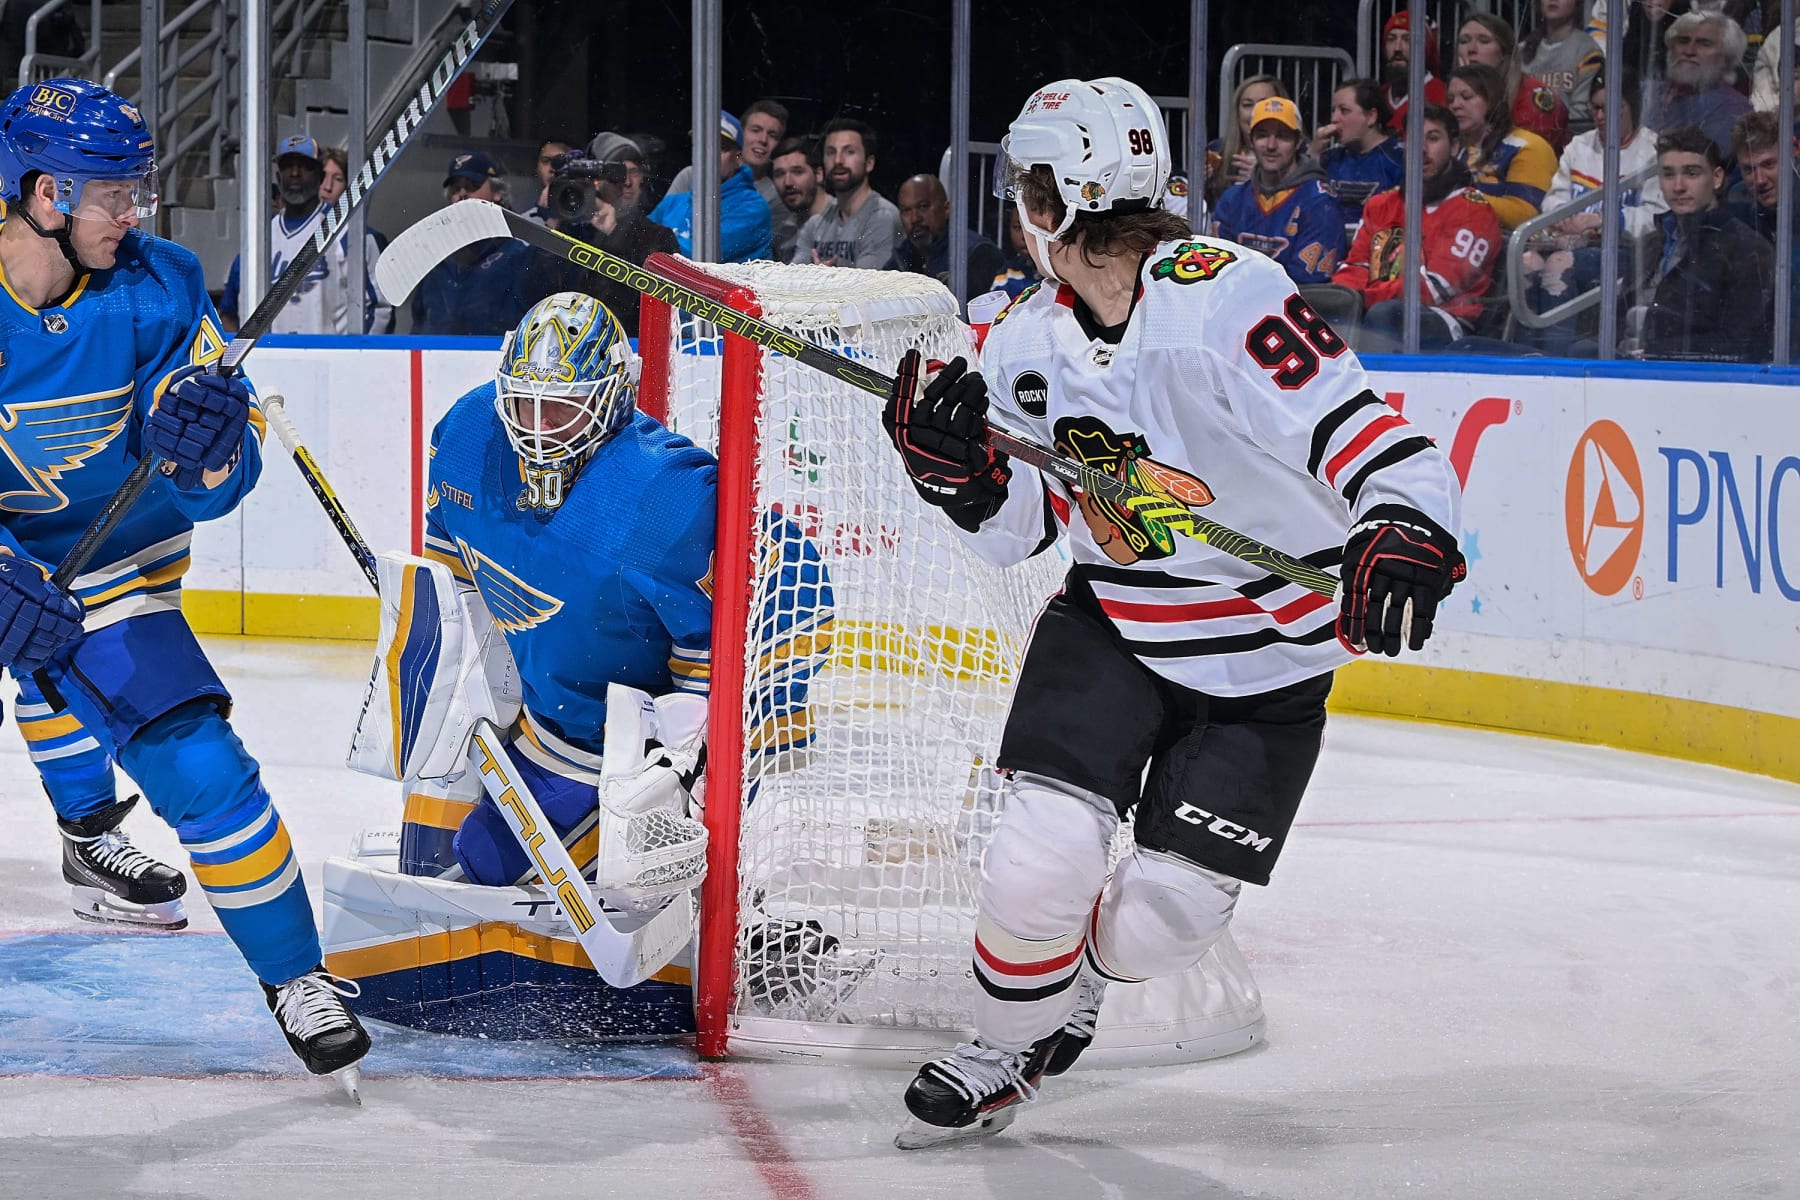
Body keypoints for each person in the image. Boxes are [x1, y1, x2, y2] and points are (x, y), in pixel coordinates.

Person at [883, 74, 1464, 1149]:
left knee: (1165, 922)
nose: (1018, 207)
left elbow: (1371, 436)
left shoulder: (1224, 298)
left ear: (1059, 196)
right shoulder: (1019, 339)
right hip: (1113, 625)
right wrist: (957, 479)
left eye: (1026, 186)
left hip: (1269, 658)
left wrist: (1405, 522)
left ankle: (1078, 991)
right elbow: (1018, 531)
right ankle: (1000, 1050)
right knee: (1037, 861)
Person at [0, 78, 370, 1090]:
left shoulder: (160, 283)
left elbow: (218, 487)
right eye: (115, 194)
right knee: (36, 650)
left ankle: (297, 978)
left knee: (198, 764)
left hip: (112, 568)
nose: (136, 212)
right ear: (43, 193)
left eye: (138, 191)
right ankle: (87, 833)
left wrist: (208, 451)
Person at [368, 293, 842, 1025]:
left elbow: (778, 592)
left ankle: (741, 932)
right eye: (523, 406)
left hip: (634, 740)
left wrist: (683, 768)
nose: (536, 429)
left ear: (613, 398)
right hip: (552, 721)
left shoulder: (666, 499)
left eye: (561, 410)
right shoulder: (468, 432)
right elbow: (452, 571)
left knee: (622, 870)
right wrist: (455, 679)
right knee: (442, 857)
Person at [1519, 70, 1666, 355]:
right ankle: (1525, 357)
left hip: (1627, 252)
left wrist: (1604, 221)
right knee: (1527, 262)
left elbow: (1656, 218)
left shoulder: (1652, 150)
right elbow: (1554, 200)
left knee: (1559, 265)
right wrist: (1562, 218)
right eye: (1596, 108)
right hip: (1572, 244)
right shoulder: (1579, 146)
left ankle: (1557, 359)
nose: (1601, 116)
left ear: (1632, 107)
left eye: (1611, 108)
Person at [1333, 103, 1504, 348]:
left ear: (1454, 146)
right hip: (1375, 306)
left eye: (1433, 139)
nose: (1422, 149)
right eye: (1413, 140)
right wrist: (1343, 298)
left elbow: (1431, 289)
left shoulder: (1472, 210)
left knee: (1387, 314)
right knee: (1324, 309)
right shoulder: (1381, 204)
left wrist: (1362, 299)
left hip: (1448, 321)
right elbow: (1356, 267)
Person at [219, 134, 391, 334]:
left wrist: (356, 352)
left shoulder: (349, 234)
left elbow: (378, 309)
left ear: (320, 177)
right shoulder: (257, 241)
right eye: (288, 166)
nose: (295, 173)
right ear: (278, 177)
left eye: (304, 166)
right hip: (271, 352)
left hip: (327, 353)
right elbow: (228, 313)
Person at [1634, 123, 1774, 360]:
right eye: (1668, 174)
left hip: (1697, 376)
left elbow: (1741, 344)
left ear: (1717, 178)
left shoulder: (1746, 249)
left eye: (1692, 173)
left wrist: (1656, 351)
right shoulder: (1649, 244)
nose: (1678, 186)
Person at [521, 134, 679, 337]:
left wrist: (614, 234)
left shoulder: (657, 237)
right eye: (617, 173)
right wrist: (552, 228)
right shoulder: (570, 233)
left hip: (630, 348)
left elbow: (646, 310)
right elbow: (531, 297)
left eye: (634, 172)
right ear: (594, 181)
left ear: (642, 179)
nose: (627, 182)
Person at [1211, 97, 1347, 286]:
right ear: (1251, 140)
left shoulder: (1320, 202)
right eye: (1262, 135)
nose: (1271, 145)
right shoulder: (1232, 199)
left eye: (1282, 136)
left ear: (1298, 141)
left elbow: (1309, 284)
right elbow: (1217, 273)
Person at [410, 151, 535, 335]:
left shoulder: (522, 251)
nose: (462, 194)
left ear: (497, 192)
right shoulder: (435, 256)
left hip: (498, 352)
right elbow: (419, 322)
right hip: (438, 353)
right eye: (455, 189)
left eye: (472, 186)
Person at [648, 110, 773, 263]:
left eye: (721, 147)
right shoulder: (673, 203)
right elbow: (636, 238)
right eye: (703, 146)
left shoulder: (753, 209)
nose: (709, 155)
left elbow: (702, 256)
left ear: (738, 155)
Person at [1448, 63, 1558, 231]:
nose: (1456, 105)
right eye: (1451, 100)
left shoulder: (1528, 146)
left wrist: (1460, 199)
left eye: (1466, 97)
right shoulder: (1452, 147)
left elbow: (1525, 215)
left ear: (1491, 100)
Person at [789, 117, 903, 268]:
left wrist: (820, 276)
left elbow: (868, 281)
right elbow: (792, 276)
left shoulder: (882, 216)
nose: (838, 160)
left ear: (869, 163)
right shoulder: (816, 223)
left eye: (849, 152)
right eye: (830, 152)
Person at [1456, 12, 1572, 152]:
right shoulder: (1453, 97)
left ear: (1504, 53)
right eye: (1464, 41)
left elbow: (1524, 154)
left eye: (1484, 41)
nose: (1471, 49)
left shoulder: (1533, 98)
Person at [1643, 10, 1752, 154]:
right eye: (1683, 41)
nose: (1689, 51)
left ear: (1726, 57)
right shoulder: (1645, 91)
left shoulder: (1734, 108)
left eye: (1704, 44)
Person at [1309, 78, 1405, 224]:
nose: (1334, 119)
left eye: (1344, 110)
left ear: (1371, 116)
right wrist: (1314, 154)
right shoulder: (1328, 159)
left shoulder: (1398, 160)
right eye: (1334, 110)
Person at [889, 173, 1005, 290]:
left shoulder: (976, 253)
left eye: (923, 206)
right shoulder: (902, 256)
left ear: (946, 209)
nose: (915, 218)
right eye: (906, 210)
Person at [670, 99, 787, 210]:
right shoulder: (691, 176)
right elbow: (663, 219)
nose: (763, 140)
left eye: (772, 135)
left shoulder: (776, 197)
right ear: (740, 134)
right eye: (756, 130)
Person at [1208, 74, 1290, 204]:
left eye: (1264, 104)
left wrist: (1265, 180)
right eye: (1247, 105)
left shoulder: (1300, 153)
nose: (1254, 113)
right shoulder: (1217, 150)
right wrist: (1199, 184)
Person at [1522, 0, 1607, 125]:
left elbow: (1581, 112)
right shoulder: (1522, 51)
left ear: (1577, 3)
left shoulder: (1587, 51)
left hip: (1569, 134)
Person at [1382, 9, 1449, 133]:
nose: (1397, 48)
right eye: (1391, 39)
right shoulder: (1379, 96)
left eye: (1407, 39)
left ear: (1425, 47)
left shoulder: (1442, 95)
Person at [768, 136, 829, 264]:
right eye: (779, 174)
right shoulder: (782, 232)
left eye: (797, 172)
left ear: (819, 174)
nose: (788, 182)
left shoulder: (843, 221)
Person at [988, 203, 1043, 299]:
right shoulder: (1007, 276)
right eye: (1018, 227)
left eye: (1032, 227)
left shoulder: (1063, 273)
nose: (1025, 236)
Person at [524, 134, 576, 224]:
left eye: (561, 161)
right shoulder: (524, 224)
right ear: (537, 168)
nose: (553, 169)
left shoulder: (595, 221)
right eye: (546, 161)